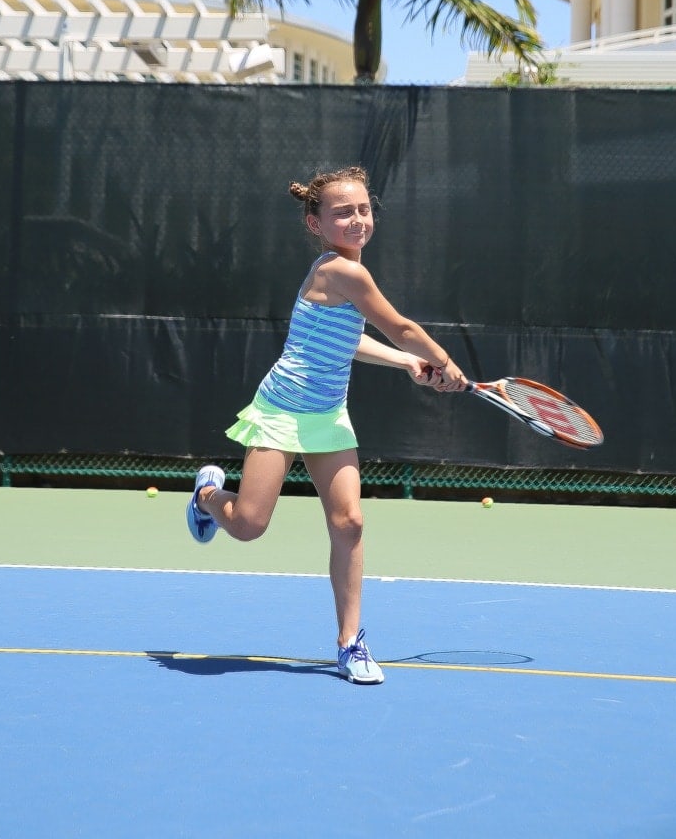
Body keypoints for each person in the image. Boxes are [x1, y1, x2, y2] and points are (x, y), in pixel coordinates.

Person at [186, 166, 467, 685]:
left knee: (350, 523)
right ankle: (207, 496)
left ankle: (350, 643)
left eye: (363, 209)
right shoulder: (343, 271)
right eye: (343, 213)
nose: (357, 219)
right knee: (248, 525)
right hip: (281, 410)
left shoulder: (346, 277)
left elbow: (350, 342)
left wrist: (408, 365)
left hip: (328, 415)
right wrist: (443, 362)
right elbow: (402, 327)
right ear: (316, 223)